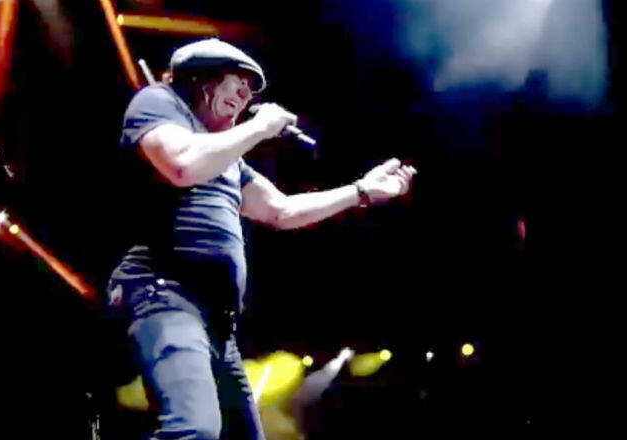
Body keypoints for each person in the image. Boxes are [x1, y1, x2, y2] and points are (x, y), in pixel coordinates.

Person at [106, 38, 416, 440]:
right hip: (165, 293)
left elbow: (281, 211)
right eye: (237, 82)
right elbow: (181, 166)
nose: (245, 95)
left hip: (217, 321)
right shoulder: (159, 103)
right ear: (201, 78)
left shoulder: (228, 160)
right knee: (193, 430)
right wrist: (259, 127)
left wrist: (361, 191)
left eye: (250, 90)